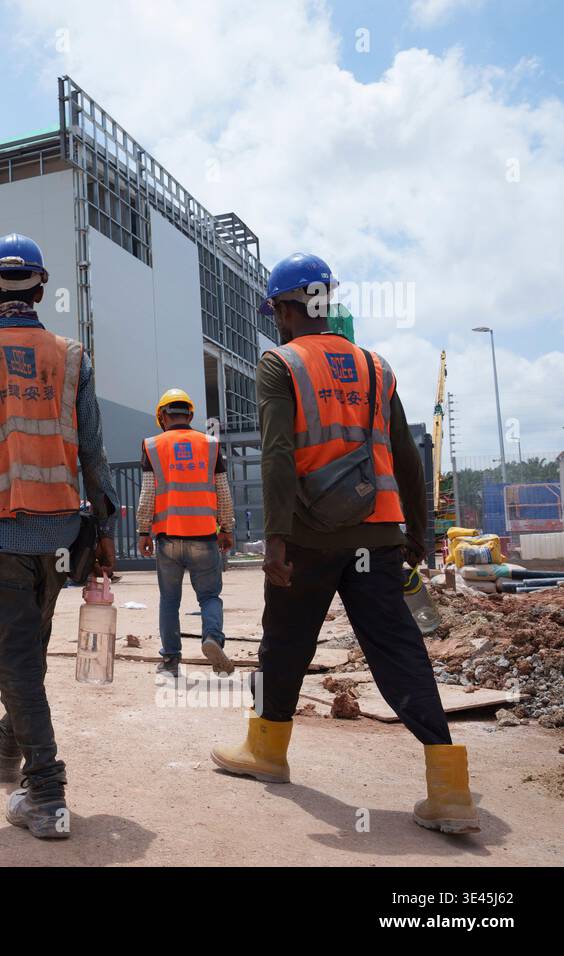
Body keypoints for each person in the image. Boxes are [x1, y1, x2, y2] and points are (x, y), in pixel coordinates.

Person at [210, 252, 479, 834]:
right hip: (378, 534)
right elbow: (406, 455)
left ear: (282, 309)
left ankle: (268, 750)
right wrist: (418, 532)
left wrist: (276, 540)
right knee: (398, 650)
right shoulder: (376, 368)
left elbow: (279, 455)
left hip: (308, 538)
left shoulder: (280, 363)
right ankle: (450, 788)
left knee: (285, 643)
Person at [0, 233, 118, 840]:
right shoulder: (72, 356)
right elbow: (93, 449)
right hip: (63, 532)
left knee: (17, 659)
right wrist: (105, 530)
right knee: (27, 655)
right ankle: (10, 752)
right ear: (39, 287)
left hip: (1, 534)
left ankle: (46, 790)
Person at [136, 388, 235, 678]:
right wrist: (226, 528)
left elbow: (147, 495)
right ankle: (212, 639)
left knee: (169, 600)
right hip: (204, 537)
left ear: (162, 417)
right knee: (209, 597)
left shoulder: (152, 445)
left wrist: (143, 532)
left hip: (168, 539)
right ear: (190, 414)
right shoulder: (210, 444)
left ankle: (170, 660)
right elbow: (223, 493)